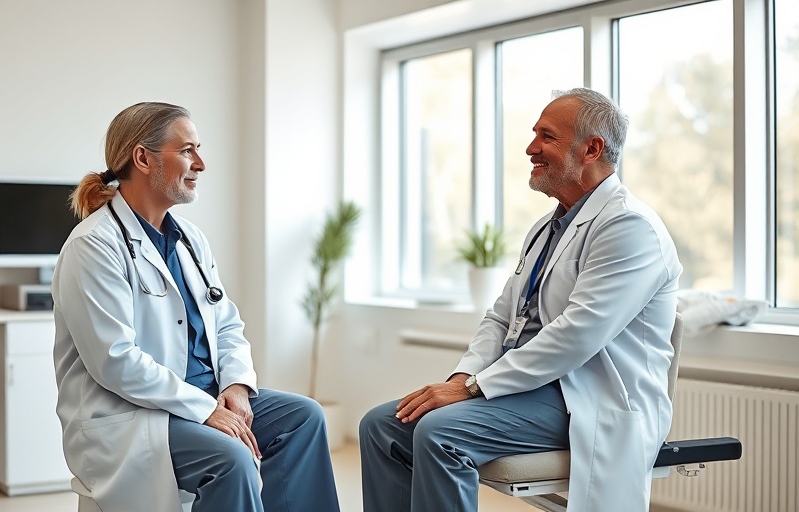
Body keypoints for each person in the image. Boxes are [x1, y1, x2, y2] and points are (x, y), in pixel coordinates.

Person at [359, 88, 682, 512]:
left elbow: (576, 336)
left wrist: (474, 389)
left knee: (440, 430)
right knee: (382, 426)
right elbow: (501, 318)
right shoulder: (548, 228)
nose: (531, 148)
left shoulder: (630, 228)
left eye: (546, 136)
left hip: (583, 398)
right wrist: (462, 378)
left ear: (592, 148)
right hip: (531, 389)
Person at [52, 102, 341, 512]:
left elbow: (225, 324)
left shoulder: (189, 238)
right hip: (138, 416)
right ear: (142, 158)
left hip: (202, 397)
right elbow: (115, 361)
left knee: (304, 417)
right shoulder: (93, 246)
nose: (200, 163)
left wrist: (236, 388)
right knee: (233, 458)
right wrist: (207, 410)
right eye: (187, 150)